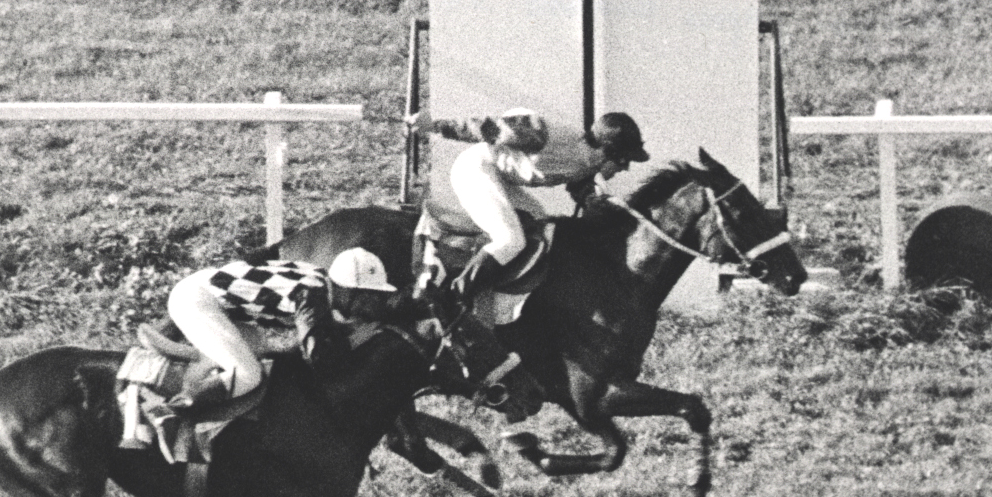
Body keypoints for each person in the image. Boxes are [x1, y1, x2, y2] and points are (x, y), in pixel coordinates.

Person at [423, 108, 649, 301]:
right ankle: (453, 297)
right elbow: (486, 128)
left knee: (542, 225)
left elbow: (579, 185)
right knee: (510, 240)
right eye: (623, 160)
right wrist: (434, 125)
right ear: (607, 152)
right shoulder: (545, 136)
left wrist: (597, 203)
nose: (625, 168)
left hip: (499, 176)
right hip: (474, 169)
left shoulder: (590, 160)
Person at [164, 247, 405, 413]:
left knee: (261, 351)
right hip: (197, 300)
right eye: (369, 296)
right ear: (349, 290)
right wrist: (357, 339)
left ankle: (197, 377)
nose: (371, 304)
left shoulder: (320, 280)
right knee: (248, 375)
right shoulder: (312, 296)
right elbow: (320, 359)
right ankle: (171, 411)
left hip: (211, 296)